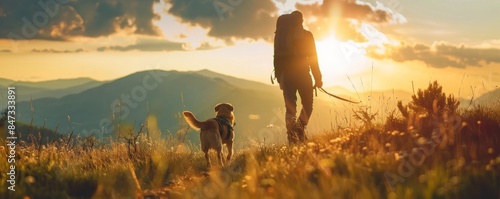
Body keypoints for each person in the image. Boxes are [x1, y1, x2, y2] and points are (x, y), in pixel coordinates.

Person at [273, 11, 323, 144]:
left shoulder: (281, 37)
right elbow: (313, 59)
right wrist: (318, 78)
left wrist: (279, 77)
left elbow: (276, 57)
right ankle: (299, 131)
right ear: (301, 21)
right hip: (303, 75)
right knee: (308, 105)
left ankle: (292, 136)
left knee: (290, 108)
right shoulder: (307, 36)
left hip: (287, 75)